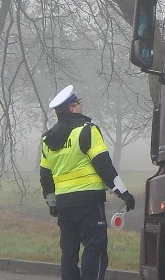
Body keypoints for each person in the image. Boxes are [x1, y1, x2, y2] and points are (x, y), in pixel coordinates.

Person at [40, 85, 135, 280]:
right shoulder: (87, 131)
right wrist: (123, 193)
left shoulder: (47, 140)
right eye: (78, 103)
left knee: (69, 252)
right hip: (89, 202)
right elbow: (103, 164)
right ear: (72, 108)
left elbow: (45, 176)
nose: (81, 106)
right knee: (95, 248)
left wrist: (52, 204)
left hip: (65, 205)